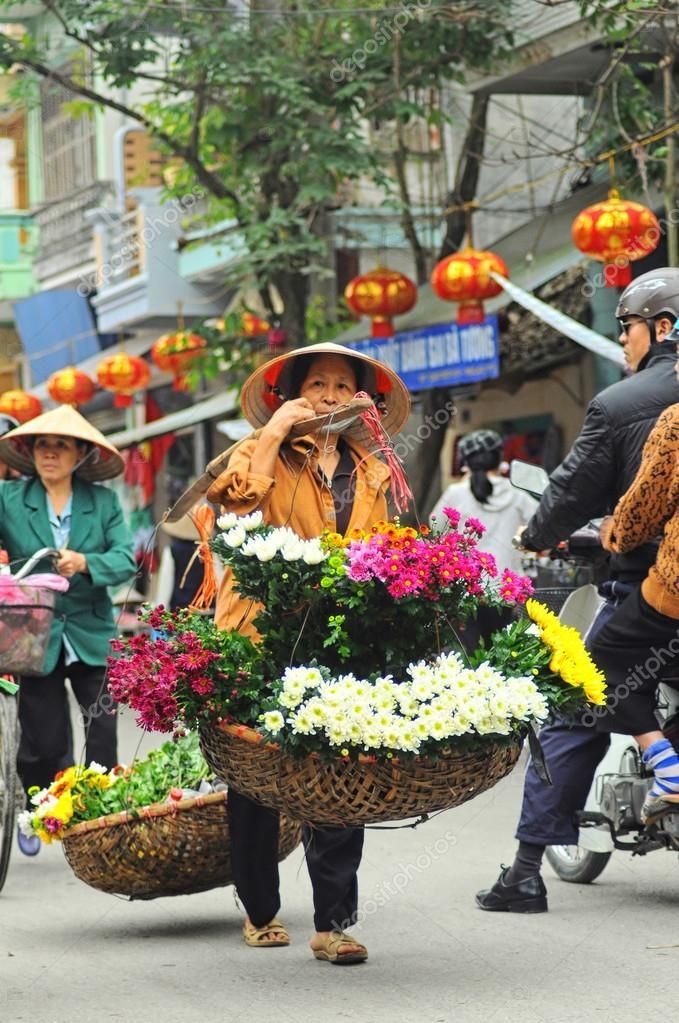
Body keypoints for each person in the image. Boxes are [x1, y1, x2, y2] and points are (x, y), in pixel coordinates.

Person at [475, 265, 679, 914]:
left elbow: (574, 494)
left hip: (648, 588)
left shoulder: (622, 405)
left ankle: (527, 871)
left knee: (574, 705)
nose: (622, 340)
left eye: (627, 326)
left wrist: (538, 535)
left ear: (662, 327)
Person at [205, 340, 411, 963]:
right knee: (257, 774)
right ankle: (261, 908)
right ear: (292, 395)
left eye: (341, 385)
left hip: (339, 635)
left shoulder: (371, 467)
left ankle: (333, 923)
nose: (328, 395)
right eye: (316, 384)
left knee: (343, 769)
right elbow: (234, 507)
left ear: (361, 399)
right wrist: (273, 435)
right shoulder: (255, 450)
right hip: (259, 630)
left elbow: (379, 548)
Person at [0, 404, 136, 857]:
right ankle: (40, 806)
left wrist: (86, 563)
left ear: (80, 454)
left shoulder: (103, 501)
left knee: (102, 731)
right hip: (32, 634)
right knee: (44, 740)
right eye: (43, 445)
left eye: (61, 445)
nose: (51, 453)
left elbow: (125, 560)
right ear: (31, 452)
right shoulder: (9, 499)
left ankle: (99, 821)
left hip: (91, 633)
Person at [430, 428, 538, 575]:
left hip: (466, 587)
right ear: (500, 457)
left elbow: (436, 527)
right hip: (509, 586)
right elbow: (542, 523)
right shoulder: (518, 495)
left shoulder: (455, 493)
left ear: (466, 462)